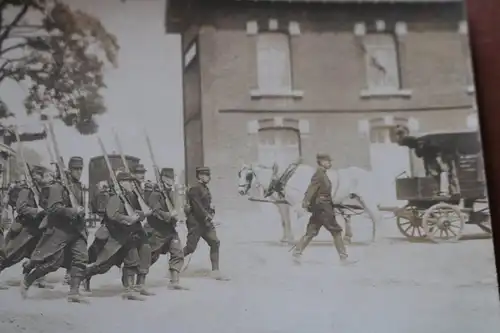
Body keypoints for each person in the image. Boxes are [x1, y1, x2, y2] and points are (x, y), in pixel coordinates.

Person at [20, 157, 89, 303]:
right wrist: (72, 211)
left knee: (81, 258)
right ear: (69, 170)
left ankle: (74, 292)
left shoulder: (78, 186)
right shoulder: (58, 187)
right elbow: (53, 208)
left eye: (81, 168)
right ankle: (28, 279)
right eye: (76, 169)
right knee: (53, 263)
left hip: (76, 229)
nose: (79, 171)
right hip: (60, 230)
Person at [84, 171, 153, 301]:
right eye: (129, 181)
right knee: (103, 265)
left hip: (127, 236)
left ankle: (129, 289)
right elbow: (112, 214)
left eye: (133, 181)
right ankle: (85, 275)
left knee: (132, 260)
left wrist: (138, 215)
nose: (132, 184)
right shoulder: (116, 197)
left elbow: (137, 211)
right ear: (121, 183)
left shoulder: (131, 196)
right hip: (115, 237)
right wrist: (128, 218)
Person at [293, 153, 355, 265]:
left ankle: (297, 253)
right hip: (323, 208)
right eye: (327, 161)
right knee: (336, 231)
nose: (329, 163)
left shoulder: (322, 174)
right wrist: (306, 201)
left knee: (311, 232)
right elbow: (311, 189)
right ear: (321, 162)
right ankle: (343, 258)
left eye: (329, 161)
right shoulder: (319, 174)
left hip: (321, 207)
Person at [0, 166, 53, 290]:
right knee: (9, 256)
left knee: (41, 255)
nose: (48, 179)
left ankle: (39, 279)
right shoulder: (26, 190)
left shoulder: (43, 191)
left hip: (36, 230)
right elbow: (21, 208)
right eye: (45, 176)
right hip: (23, 230)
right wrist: (37, 211)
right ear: (37, 177)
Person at [183, 166, 229, 281]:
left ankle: (215, 271)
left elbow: (207, 206)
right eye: (206, 175)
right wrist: (207, 216)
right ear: (199, 176)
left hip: (205, 223)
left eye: (208, 175)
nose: (208, 177)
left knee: (215, 242)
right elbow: (198, 207)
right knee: (190, 248)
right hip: (196, 223)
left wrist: (211, 211)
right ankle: (172, 266)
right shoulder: (194, 189)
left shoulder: (205, 188)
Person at [146, 167, 187, 290]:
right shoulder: (155, 194)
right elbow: (156, 211)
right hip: (156, 231)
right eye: (169, 178)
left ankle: (174, 281)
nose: (171, 181)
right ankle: (135, 280)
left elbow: (178, 208)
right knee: (150, 257)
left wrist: (180, 214)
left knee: (177, 252)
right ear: (163, 179)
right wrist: (170, 215)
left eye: (172, 178)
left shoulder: (171, 193)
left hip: (169, 230)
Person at [83, 180, 112, 292]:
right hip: (106, 231)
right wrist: (102, 193)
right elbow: (99, 209)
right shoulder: (102, 196)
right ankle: (79, 274)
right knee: (94, 257)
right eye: (104, 187)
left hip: (113, 231)